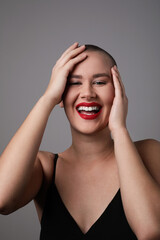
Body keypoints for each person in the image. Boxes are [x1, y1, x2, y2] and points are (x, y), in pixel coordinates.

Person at [0, 42, 160, 240]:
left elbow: (151, 231)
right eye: (74, 82)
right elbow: (2, 200)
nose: (88, 93)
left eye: (100, 82)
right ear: (61, 94)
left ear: (118, 91)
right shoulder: (46, 167)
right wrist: (47, 98)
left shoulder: (148, 153)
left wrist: (119, 129)